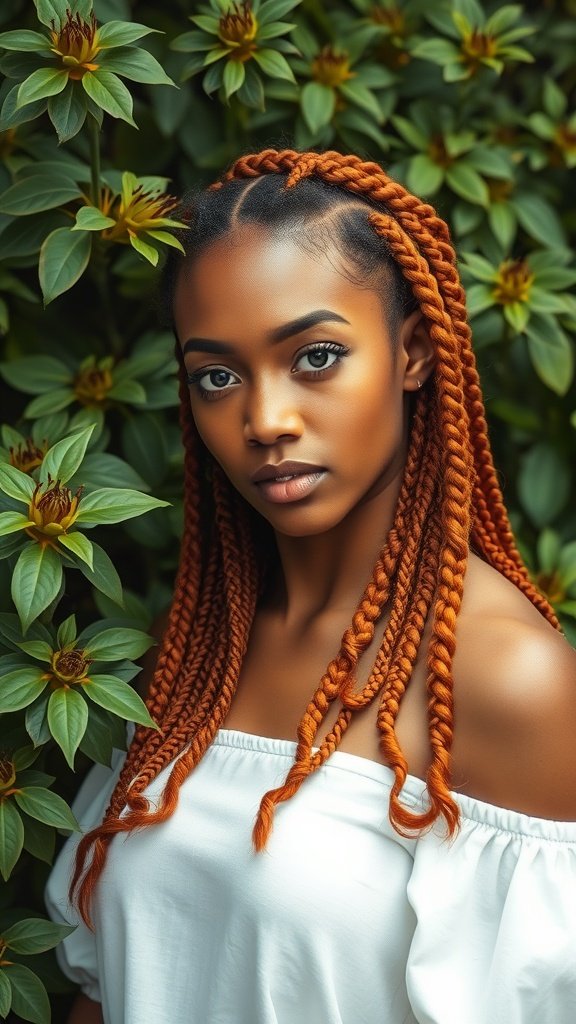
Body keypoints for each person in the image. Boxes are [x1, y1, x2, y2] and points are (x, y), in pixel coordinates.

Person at [46, 147, 576, 1024]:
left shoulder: (510, 683)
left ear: (413, 352)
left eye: (317, 356)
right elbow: (104, 988)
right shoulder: (195, 655)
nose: (265, 420)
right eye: (217, 376)